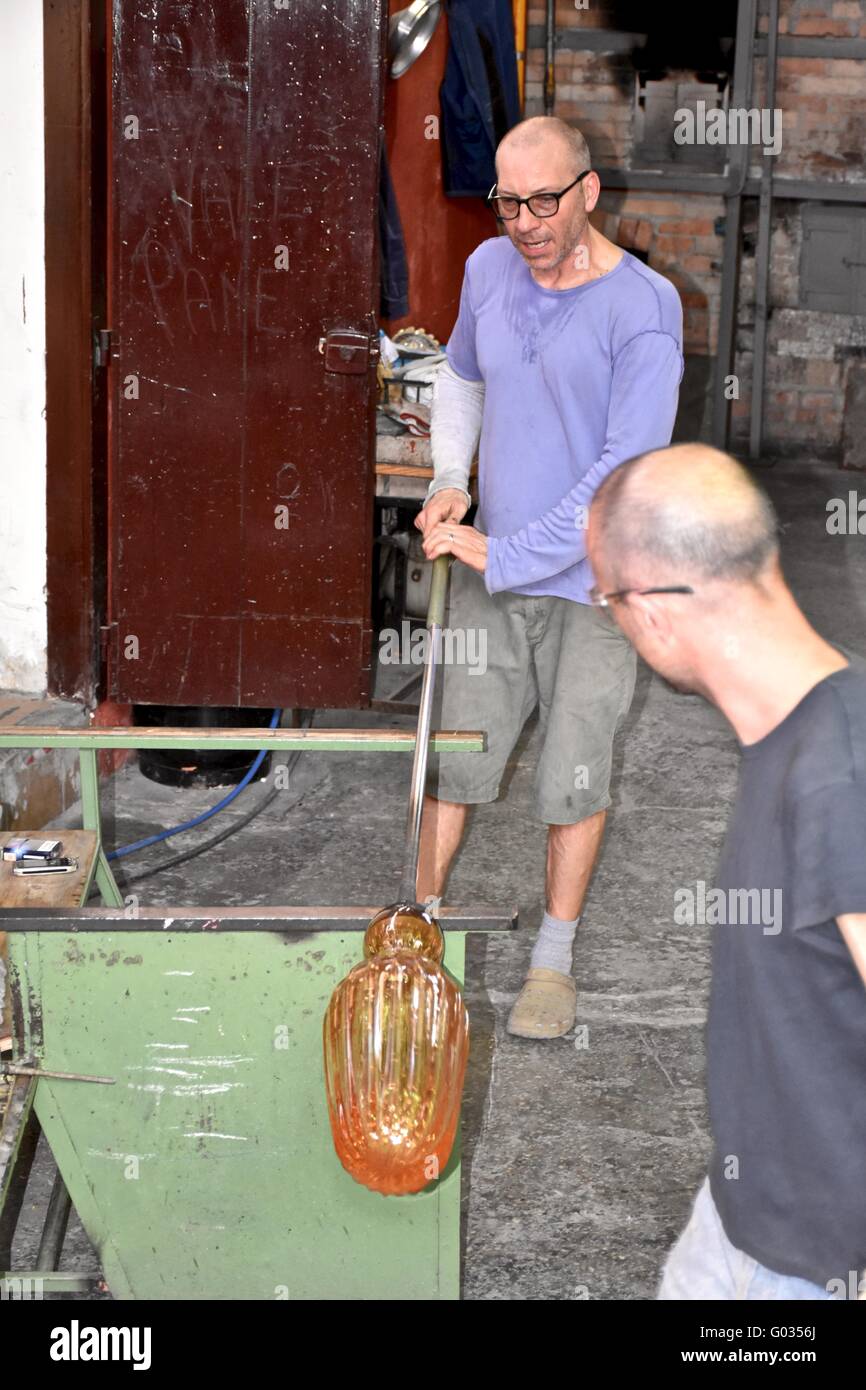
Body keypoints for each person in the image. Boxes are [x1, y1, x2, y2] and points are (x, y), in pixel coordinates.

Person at [414, 116, 683, 1039]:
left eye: (541, 201)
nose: (523, 222)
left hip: (599, 588)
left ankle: (553, 963)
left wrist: (510, 552)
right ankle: (421, 934)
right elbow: (460, 378)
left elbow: (623, 472)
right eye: (506, 201)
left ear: (589, 192)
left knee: (572, 772)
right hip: (497, 570)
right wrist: (454, 481)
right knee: (455, 754)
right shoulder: (490, 271)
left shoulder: (644, 309)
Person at [587, 442, 866, 1300]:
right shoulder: (803, 727)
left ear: (655, 615)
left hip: (806, 1267)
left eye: (608, 602)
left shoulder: (838, 779)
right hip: (744, 1213)